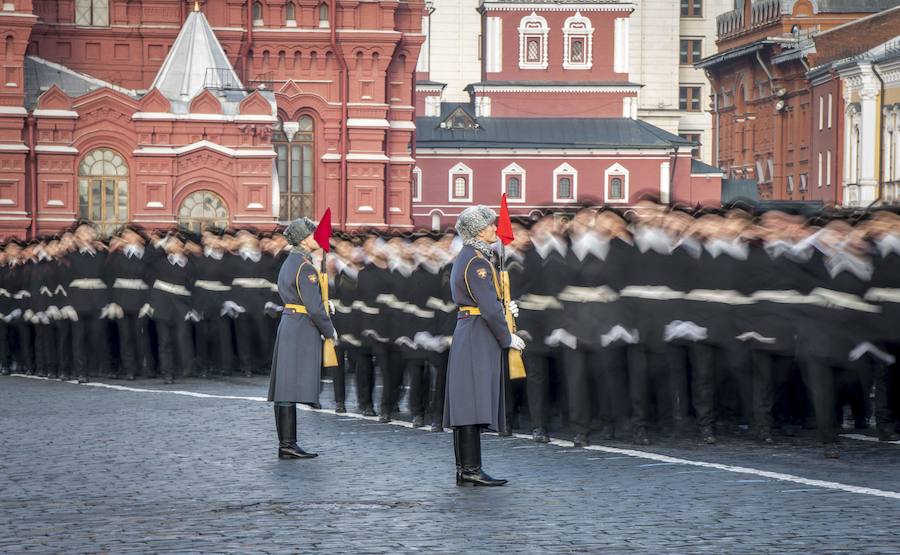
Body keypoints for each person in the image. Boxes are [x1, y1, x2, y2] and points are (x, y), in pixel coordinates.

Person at [444, 205, 525, 487]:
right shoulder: (477, 262)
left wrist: (506, 307)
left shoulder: (472, 256)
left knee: (468, 401)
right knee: (471, 401)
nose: (495, 229)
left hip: (472, 330)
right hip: (478, 332)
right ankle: (470, 469)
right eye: (491, 225)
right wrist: (506, 336)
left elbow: (491, 302)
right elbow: (488, 308)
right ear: (478, 230)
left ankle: (466, 468)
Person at [267, 217, 337, 460]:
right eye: (313, 234)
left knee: (285, 386)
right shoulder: (305, 267)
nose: (317, 237)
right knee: (288, 387)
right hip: (300, 327)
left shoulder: (293, 261)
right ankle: (287, 444)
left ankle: (287, 443)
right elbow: (314, 308)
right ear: (305, 239)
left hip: (291, 323)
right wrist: (329, 330)